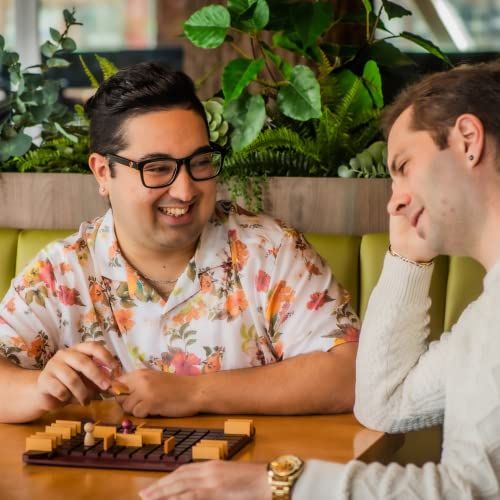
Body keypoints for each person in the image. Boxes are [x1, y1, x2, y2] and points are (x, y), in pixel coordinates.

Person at [138, 59, 500, 500]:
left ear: (467, 140)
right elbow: (385, 406)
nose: (394, 201)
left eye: (403, 167)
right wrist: (407, 257)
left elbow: (473, 491)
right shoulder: (487, 313)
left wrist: (278, 482)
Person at [0, 62, 359, 423]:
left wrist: (193, 392)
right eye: (157, 168)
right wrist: (40, 388)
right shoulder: (61, 272)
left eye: (200, 162)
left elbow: (349, 375)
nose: (185, 190)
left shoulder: (270, 250)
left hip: (245, 475)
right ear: (102, 172)